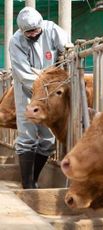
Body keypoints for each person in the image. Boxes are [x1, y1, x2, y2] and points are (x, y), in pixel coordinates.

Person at [9, 7, 69, 189]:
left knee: (48, 138)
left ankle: (34, 179)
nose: (33, 34)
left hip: (51, 92)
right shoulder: (15, 41)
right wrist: (43, 83)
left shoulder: (52, 30)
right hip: (27, 90)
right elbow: (22, 72)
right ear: (22, 31)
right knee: (26, 134)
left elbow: (67, 51)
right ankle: (27, 183)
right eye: (29, 32)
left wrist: (57, 80)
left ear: (41, 25)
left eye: (36, 30)